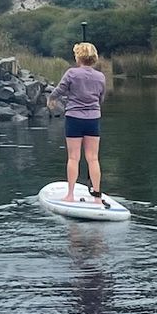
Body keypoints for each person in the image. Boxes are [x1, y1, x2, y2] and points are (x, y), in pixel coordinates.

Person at [49, 41, 109, 205]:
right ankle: (97, 197)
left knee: (74, 158)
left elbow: (60, 90)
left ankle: (70, 195)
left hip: (74, 118)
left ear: (78, 57)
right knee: (93, 158)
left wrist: (51, 99)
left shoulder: (71, 74)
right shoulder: (101, 77)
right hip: (93, 120)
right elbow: (101, 98)